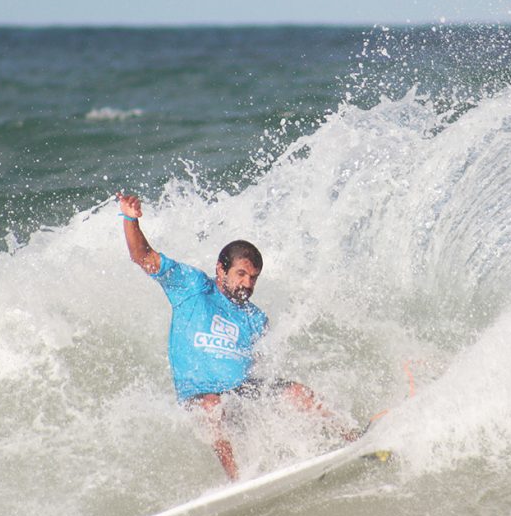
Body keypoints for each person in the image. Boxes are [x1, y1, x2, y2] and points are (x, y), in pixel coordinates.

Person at [116, 192, 358, 480]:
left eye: (253, 278)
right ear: (221, 269)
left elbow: (258, 368)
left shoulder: (255, 318)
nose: (247, 284)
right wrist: (130, 219)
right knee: (213, 406)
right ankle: (237, 480)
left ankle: (353, 438)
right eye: (241, 274)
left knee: (295, 393)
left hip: (239, 394)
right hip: (199, 397)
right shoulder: (193, 287)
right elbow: (142, 257)